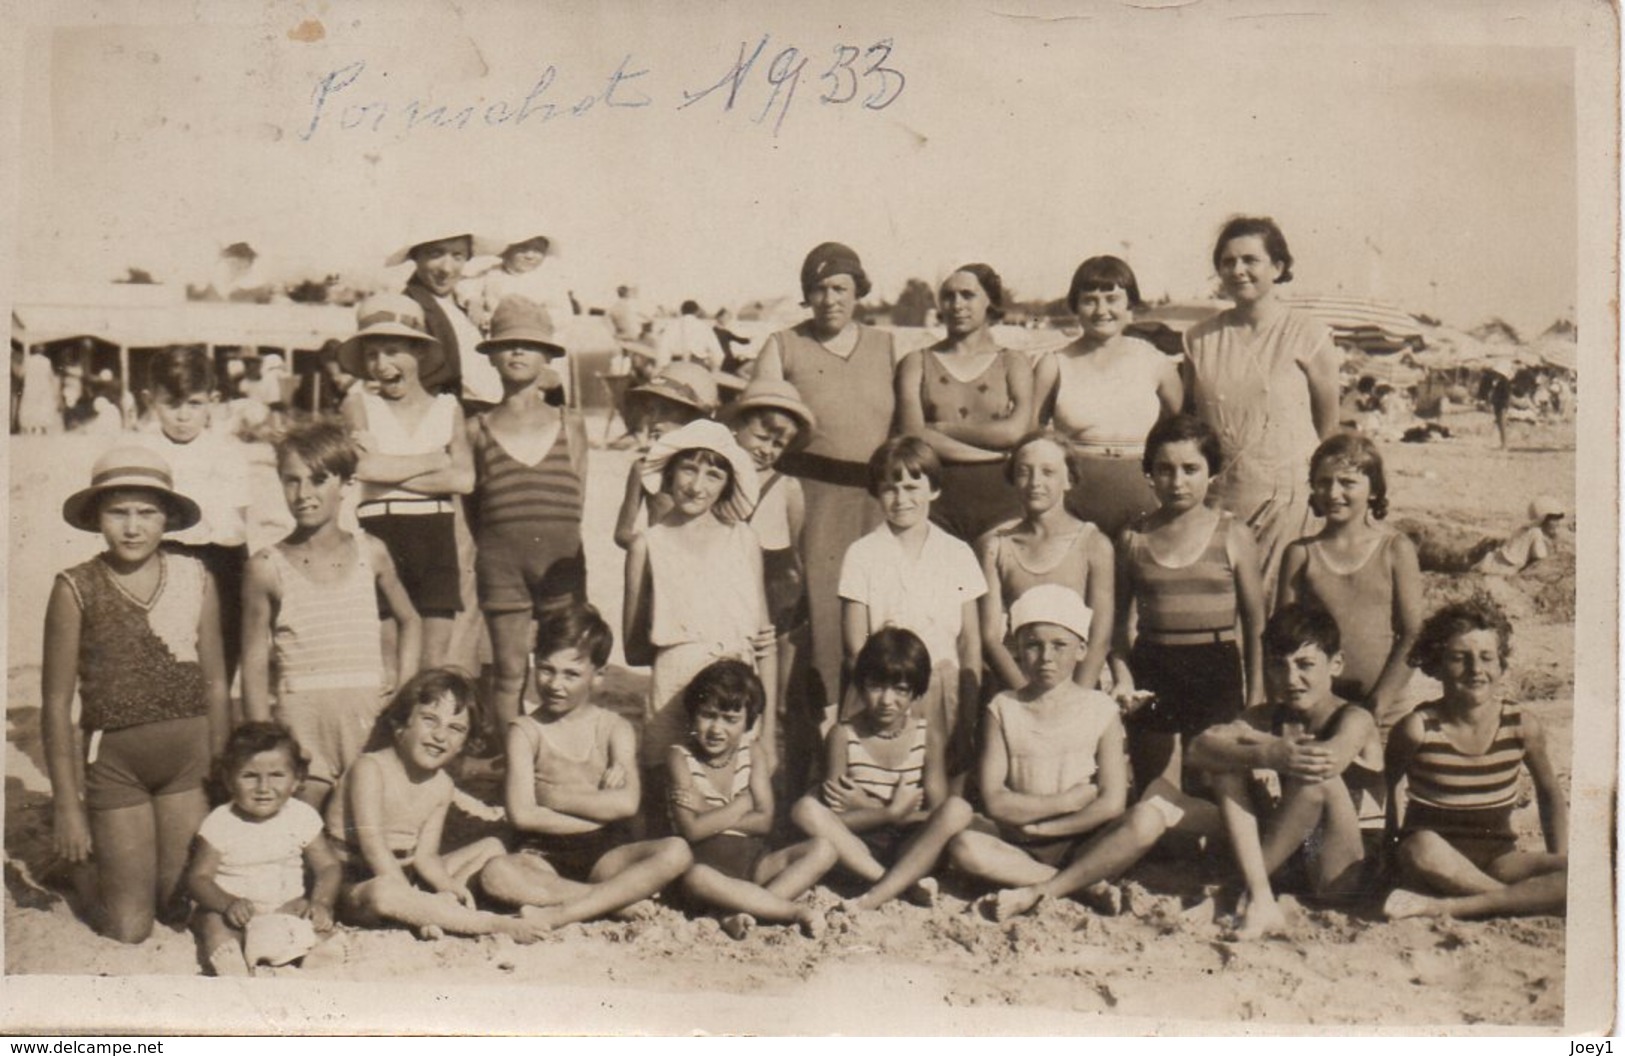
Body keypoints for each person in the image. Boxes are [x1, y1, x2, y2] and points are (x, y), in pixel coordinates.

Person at [41, 447, 230, 942]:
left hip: (187, 770)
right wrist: (67, 805)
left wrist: (222, 772)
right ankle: (79, 874)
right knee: (130, 929)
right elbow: (57, 706)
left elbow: (215, 682)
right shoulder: (74, 587)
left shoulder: (195, 577)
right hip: (117, 769)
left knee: (178, 905)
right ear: (96, 518)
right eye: (117, 511)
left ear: (167, 518)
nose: (132, 527)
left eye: (146, 512)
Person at [241, 422, 422, 810]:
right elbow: (255, 661)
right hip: (300, 722)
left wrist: (404, 692)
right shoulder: (266, 565)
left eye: (318, 480)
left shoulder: (370, 551)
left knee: (364, 826)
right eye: (292, 481)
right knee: (301, 834)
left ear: (345, 484)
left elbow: (411, 621)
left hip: (366, 719)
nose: (303, 494)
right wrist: (263, 741)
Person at [753, 242, 897, 725]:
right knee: (808, 619)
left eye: (839, 287)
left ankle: (867, 735)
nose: (829, 299)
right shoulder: (783, 345)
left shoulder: (887, 346)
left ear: (859, 291)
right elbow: (757, 426)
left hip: (874, 501)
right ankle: (797, 737)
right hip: (806, 496)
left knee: (872, 612)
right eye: (817, 289)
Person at [479, 605, 694, 926]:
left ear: (599, 676)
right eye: (546, 669)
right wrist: (598, 808)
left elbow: (626, 803)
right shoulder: (525, 731)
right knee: (497, 874)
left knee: (677, 851)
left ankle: (569, 907)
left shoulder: (614, 728)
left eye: (571, 674)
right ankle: (608, 900)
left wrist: (552, 798)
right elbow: (522, 815)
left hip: (605, 852)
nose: (555, 684)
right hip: (542, 854)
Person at [1187, 604, 1382, 937]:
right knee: (1225, 768)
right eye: (1279, 666)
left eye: (1305, 665)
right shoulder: (1266, 715)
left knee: (1316, 780)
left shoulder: (1355, 718)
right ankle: (1260, 895)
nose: (1291, 679)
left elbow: (1325, 761)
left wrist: (1257, 744)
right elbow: (1198, 749)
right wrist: (1267, 750)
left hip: (1342, 872)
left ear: (1336, 664)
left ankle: (1241, 891)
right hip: (1289, 864)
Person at [1182, 217, 1342, 602]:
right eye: (1227, 261)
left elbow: (1329, 430)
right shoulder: (1198, 338)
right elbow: (1190, 424)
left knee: (1279, 612)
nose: (1238, 270)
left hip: (1286, 503)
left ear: (1278, 267)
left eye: (1250, 260)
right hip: (1219, 501)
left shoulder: (1309, 333)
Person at [947, 586, 1129, 919]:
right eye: (1033, 645)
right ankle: (1081, 885)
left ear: (1082, 649)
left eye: (1060, 645)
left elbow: (1112, 801)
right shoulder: (1003, 708)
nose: (1046, 657)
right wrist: (1066, 802)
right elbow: (996, 800)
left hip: (1081, 838)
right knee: (964, 847)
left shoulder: (1100, 709)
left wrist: (1048, 828)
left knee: (1146, 820)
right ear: (1017, 650)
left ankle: (1053, 884)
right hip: (1019, 843)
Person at [326, 668, 547, 941]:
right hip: (356, 882)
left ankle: (433, 911)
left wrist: (449, 886)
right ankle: (485, 923)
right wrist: (411, 895)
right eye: (430, 720)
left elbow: (426, 857)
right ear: (400, 724)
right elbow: (373, 848)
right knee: (385, 892)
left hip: (407, 876)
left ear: (464, 743)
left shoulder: (442, 785)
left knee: (492, 847)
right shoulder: (370, 768)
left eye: (455, 729)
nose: (440, 736)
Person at [1109, 415, 1266, 797]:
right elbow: (1116, 623)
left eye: (1190, 469)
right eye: (1164, 470)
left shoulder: (1232, 533)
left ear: (1211, 472)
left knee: (1217, 785)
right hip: (1154, 664)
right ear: (1149, 472)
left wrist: (1257, 694)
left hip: (1215, 666)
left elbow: (1256, 621)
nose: (1177, 482)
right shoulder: (1133, 537)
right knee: (1153, 790)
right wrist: (1123, 676)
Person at [1382, 599, 1567, 920]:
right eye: (1459, 658)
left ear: (1501, 665)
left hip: (1500, 859)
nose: (1475, 670)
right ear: (1435, 664)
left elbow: (1549, 793)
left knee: (1591, 870)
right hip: (1434, 859)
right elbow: (1385, 790)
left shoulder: (1521, 725)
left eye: (1486, 658)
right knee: (1419, 847)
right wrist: (1388, 851)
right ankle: (1523, 901)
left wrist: (1557, 857)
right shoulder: (1418, 728)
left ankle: (1455, 906)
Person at [622, 420, 776, 783]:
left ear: (727, 486)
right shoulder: (648, 544)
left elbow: (765, 641)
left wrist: (767, 734)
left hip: (735, 692)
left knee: (731, 791)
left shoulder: (743, 540)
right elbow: (633, 649)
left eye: (713, 475)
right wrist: (684, 645)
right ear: (670, 473)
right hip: (673, 688)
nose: (696, 486)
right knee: (667, 792)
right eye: (689, 469)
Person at [467, 297, 588, 731]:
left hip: (561, 564)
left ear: (547, 357)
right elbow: (473, 509)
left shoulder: (569, 422)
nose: (517, 352)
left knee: (566, 667)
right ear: (493, 357)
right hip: (502, 566)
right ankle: (511, 763)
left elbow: (577, 499)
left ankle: (562, 753)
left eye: (529, 345)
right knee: (509, 671)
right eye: (508, 344)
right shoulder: (477, 427)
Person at [790, 628, 973, 912]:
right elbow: (836, 818)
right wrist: (888, 812)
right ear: (861, 686)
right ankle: (893, 885)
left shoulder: (927, 736)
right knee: (805, 809)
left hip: (912, 849)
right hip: (858, 853)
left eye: (900, 690)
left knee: (958, 808)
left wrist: (884, 811)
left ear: (916, 692)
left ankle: (878, 893)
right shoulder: (843, 735)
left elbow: (937, 813)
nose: (887, 700)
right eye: (876, 687)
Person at [338, 294, 475, 669]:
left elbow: (463, 480)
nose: (381, 365)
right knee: (389, 659)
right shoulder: (359, 405)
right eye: (372, 355)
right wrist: (434, 460)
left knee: (432, 663)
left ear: (418, 352)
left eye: (393, 350)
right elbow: (364, 469)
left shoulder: (448, 408)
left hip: (436, 535)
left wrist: (388, 468)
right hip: (380, 533)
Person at [838, 437, 984, 777]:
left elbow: (970, 643)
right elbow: (854, 646)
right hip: (883, 693)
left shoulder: (957, 553)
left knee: (940, 783)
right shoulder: (862, 554)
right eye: (889, 488)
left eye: (911, 486)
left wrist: (967, 717)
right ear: (876, 493)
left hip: (941, 690)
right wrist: (882, 697)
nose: (901, 499)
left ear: (933, 489)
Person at [667, 660, 836, 939]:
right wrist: (743, 804)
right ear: (692, 715)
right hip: (707, 871)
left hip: (754, 862)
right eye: (708, 715)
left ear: (748, 722)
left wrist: (707, 811)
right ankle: (785, 911)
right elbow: (692, 830)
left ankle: (734, 912)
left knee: (824, 849)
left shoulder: (753, 752)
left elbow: (765, 821)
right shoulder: (679, 757)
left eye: (730, 719)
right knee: (696, 877)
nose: (716, 729)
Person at [1278, 433, 1423, 732]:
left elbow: (1412, 633)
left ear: (1373, 490)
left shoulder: (1395, 549)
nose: (1333, 492)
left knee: (1377, 779)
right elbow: (1283, 638)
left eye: (1347, 482)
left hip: (1385, 710)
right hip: (1317, 709)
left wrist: (1379, 704)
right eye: (1323, 482)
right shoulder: (1301, 554)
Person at [1034, 256, 1182, 539]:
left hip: (1143, 498)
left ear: (1130, 305)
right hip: (1072, 501)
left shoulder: (1155, 363)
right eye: (1090, 300)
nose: (1101, 310)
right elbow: (1032, 438)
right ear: (1075, 306)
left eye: (1112, 299)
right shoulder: (1054, 363)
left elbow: (1183, 437)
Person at [132, 346, 252, 691]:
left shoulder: (228, 452)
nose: (183, 416)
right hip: (163, 555)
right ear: (150, 399)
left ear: (212, 400)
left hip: (220, 557)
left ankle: (215, 726)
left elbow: (239, 522)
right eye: (172, 404)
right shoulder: (144, 451)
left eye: (195, 403)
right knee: (165, 643)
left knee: (222, 645)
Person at [723, 378, 820, 794]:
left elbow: (795, 549)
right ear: (736, 430)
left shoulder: (788, 488)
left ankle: (781, 787)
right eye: (761, 436)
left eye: (778, 445)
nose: (766, 449)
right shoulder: (717, 481)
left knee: (776, 700)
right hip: (727, 603)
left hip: (776, 604)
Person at [186, 722, 343, 976]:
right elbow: (198, 878)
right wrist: (227, 903)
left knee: (313, 918)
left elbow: (328, 866)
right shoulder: (221, 821)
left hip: (285, 909)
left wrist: (321, 902)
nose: (263, 787)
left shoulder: (301, 815)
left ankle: (319, 958)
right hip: (237, 916)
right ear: (228, 780)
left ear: (296, 780)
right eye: (249, 776)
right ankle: (231, 963)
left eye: (277, 775)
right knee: (212, 920)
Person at [895, 263, 1033, 542]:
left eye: (967, 295)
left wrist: (944, 429)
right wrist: (991, 454)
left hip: (1001, 499)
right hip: (934, 501)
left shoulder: (1012, 362)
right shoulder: (915, 362)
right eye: (948, 296)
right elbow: (913, 435)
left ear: (990, 302)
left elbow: (1016, 432)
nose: (956, 304)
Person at [976, 431, 1114, 692]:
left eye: (1048, 472)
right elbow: (990, 638)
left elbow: (1100, 637)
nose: (1034, 482)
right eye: (1024, 472)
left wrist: (1074, 701)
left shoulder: (1094, 544)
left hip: (1077, 689)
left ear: (1069, 480)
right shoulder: (996, 546)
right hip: (1016, 689)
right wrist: (1027, 699)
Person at [612, 360, 720, 550]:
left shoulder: (715, 472)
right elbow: (622, 532)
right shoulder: (644, 468)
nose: (654, 420)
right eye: (652, 410)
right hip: (659, 568)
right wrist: (653, 546)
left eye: (666, 411)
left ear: (695, 419)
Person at [389, 229, 504, 406]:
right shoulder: (409, 310)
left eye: (457, 256)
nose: (446, 268)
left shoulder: (463, 301)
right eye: (436, 254)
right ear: (416, 256)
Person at [1473, 496, 1566, 575]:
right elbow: (1541, 556)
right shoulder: (1535, 533)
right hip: (1500, 570)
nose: (1557, 523)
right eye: (1553, 520)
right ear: (1543, 519)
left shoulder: (1524, 528)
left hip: (1491, 562)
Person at [656, 300, 726, 373]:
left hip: (675, 368)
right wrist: (714, 370)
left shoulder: (671, 327)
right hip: (698, 369)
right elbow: (718, 354)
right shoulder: (704, 327)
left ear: (681, 311)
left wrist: (662, 368)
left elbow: (662, 351)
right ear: (697, 312)